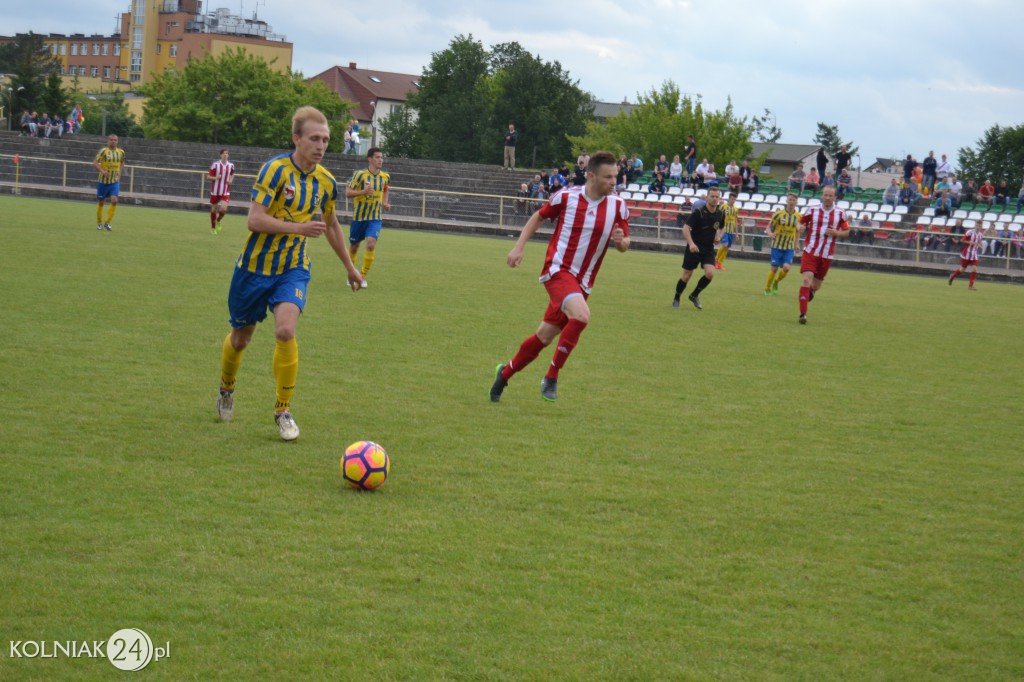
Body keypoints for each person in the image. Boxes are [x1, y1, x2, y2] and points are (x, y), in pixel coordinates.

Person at [215, 106, 364, 441]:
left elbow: (331, 225)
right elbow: (254, 219)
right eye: (314, 138)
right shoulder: (275, 170)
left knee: (285, 330)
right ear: (296, 139)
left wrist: (350, 267)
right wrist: (298, 227)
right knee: (241, 339)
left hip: (292, 269)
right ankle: (226, 388)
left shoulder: (326, 182)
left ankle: (283, 410)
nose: (321, 145)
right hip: (253, 269)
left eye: (325, 139)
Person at [489, 151, 629, 403]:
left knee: (544, 336)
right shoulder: (566, 196)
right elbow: (538, 217)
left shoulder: (618, 205)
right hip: (557, 270)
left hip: (583, 281)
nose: (613, 182)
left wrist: (621, 242)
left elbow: (624, 242)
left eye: (615, 177)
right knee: (582, 315)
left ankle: (505, 373)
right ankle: (551, 376)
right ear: (591, 175)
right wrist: (519, 247)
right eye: (608, 177)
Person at [797, 186, 850, 324]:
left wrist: (836, 233)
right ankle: (803, 314)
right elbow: (800, 223)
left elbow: (847, 231)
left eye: (830, 195)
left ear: (835, 197)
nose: (827, 197)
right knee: (806, 280)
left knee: (816, 286)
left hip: (826, 254)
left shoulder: (840, 213)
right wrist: (800, 228)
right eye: (825, 195)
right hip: (810, 251)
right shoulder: (812, 209)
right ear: (822, 196)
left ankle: (811, 292)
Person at [672, 185, 725, 310]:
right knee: (686, 275)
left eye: (716, 197)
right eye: (712, 196)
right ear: (707, 197)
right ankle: (676, 297)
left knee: (710, 273)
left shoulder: (720, 213)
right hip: (694, 247)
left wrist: (719, 237)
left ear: (719, 198)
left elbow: (722, 227)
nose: (714, 199)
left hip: (708, 248)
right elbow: (685, 229)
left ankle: (694, 295)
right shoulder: (698, 212)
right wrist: (691, 244)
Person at [346, 147, 392, 286]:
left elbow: (385, 189)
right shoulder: (360, 175)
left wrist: (384, 203)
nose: (380, 160)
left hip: (375, 217)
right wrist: (363, 192)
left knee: (371, 244)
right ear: (370, 159)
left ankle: (363, 276)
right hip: (359, 217)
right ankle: (351, 274)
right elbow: (348, 193)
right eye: (377, 157)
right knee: (354, 247)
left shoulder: (385, 177)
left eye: (382, 157)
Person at [764, 192, 801, 295]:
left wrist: (797, 244)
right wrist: (770, 234)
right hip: (777, 246)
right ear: (787, 201)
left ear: (796, 202)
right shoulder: (778, 214)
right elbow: (768, 227)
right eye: (790, 200)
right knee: (774, 268)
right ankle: (767, 288)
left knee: (786, 268)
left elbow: (797, 231)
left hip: (789, 247)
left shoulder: (798, 216)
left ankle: (776, 282)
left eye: (794, 200)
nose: (792, 202)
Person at [92, 134, 125, 231]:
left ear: (117, 141)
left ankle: (107, 223)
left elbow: (122, 162)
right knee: (101, 202)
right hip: (103, 182)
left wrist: (119, 174)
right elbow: (95, 162)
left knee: (114, 200)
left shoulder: (121, 152)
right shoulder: (103, 151)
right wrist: (102, 171)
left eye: (115, 140)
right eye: (111, 140)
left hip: (114, 182)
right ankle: (99, 222)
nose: (113, 141)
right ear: (108, 141)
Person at [948, 221, 983, 290]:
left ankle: (970, 286)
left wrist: (980, 245)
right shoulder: (970, 232)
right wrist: (971, 242)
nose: (978, 227)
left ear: (981, 227)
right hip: (967, 253)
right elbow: (962, 240)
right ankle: (952, 275)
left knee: (974, 268)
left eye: (979, 226)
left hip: (974, 254)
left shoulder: (980, 235)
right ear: (975, 225)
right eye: (977, 225)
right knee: (962, 269)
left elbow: (979, 242)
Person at [208, 148, 235, 233]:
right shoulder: (215, 165)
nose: (225, 155)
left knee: (223, 209)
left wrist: (230, 180)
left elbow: (232, 174)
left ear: (228, 155)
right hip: (215, 191)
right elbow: (208, 177)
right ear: (220, 155)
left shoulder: (231, 165)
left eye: (227, 153)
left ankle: (218, 220)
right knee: (214, 209)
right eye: (223, 153)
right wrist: (216, 178)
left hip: (225, 190)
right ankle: (213, 228)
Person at [715, 191, 739, 270]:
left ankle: (720, 263)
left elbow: (735, 221)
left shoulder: (735, 209)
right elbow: (717, 215)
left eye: (734, 199)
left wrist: (737, 233)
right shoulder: (723, 207)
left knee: (727, 247)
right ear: (729, 199)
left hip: (731, 231)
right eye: (732, 199)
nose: (733, 200)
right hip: (724, 229)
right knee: (724, 245)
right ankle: (716, 261)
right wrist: (717, 228)